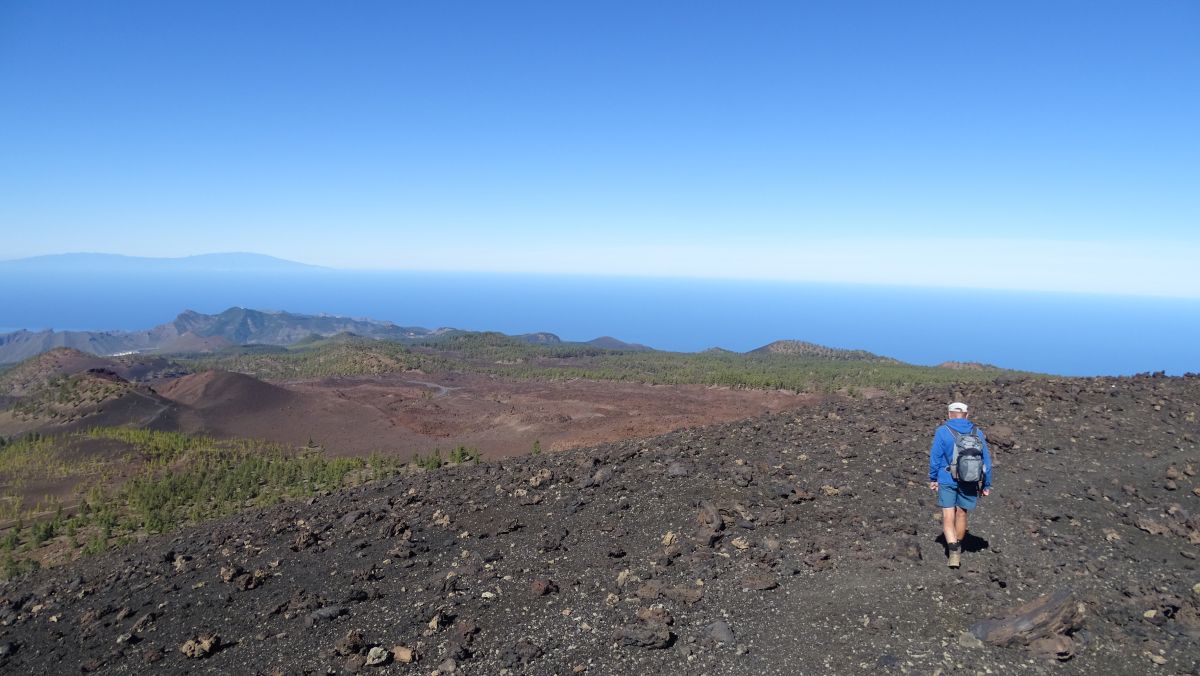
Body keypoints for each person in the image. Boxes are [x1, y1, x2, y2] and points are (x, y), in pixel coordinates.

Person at [928, 401, 992, 568]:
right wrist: (986, 485)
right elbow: (987, 462)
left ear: (949, 415)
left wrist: (933, 478)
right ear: (966, 415)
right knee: (961, 513)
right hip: (970, 479)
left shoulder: (942, 431)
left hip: (947, 477)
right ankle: (959, 543)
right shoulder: (977, 432)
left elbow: (935, 458)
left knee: (948, 516)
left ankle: (953, 552)